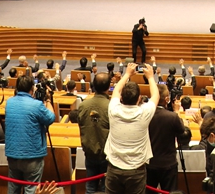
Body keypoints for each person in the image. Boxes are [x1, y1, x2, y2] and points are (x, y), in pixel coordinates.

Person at [105, 63, 159, 194]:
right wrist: (150, 77)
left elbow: (116, 91)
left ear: (121, 98)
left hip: (114, 166)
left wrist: (127, 74)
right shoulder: (144, 113)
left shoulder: (113, 109)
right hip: (136, 169)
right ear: (139, 98)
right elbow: (156, 96)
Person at [4, 75, 56, 194]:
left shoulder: (9, 102)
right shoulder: (36, 105)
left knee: (13, 189)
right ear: (32, 88)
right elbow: (50, 118)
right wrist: (48, 100)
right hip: (32, 155)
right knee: (31, 189)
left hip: (13, 153)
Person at [71, 73, 111, 194]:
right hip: (106, 153)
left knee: (90, 186)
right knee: (105, 188)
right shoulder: (111, 106)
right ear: (108, 87)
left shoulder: (83, 105)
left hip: (89, 151)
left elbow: (81, 124)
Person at [148, 84, 191, 193]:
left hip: (149, 162)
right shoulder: (172, 116)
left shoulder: (145, 115)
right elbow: (182, 131)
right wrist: (176, 111)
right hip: (168, 163)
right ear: (167, 99)